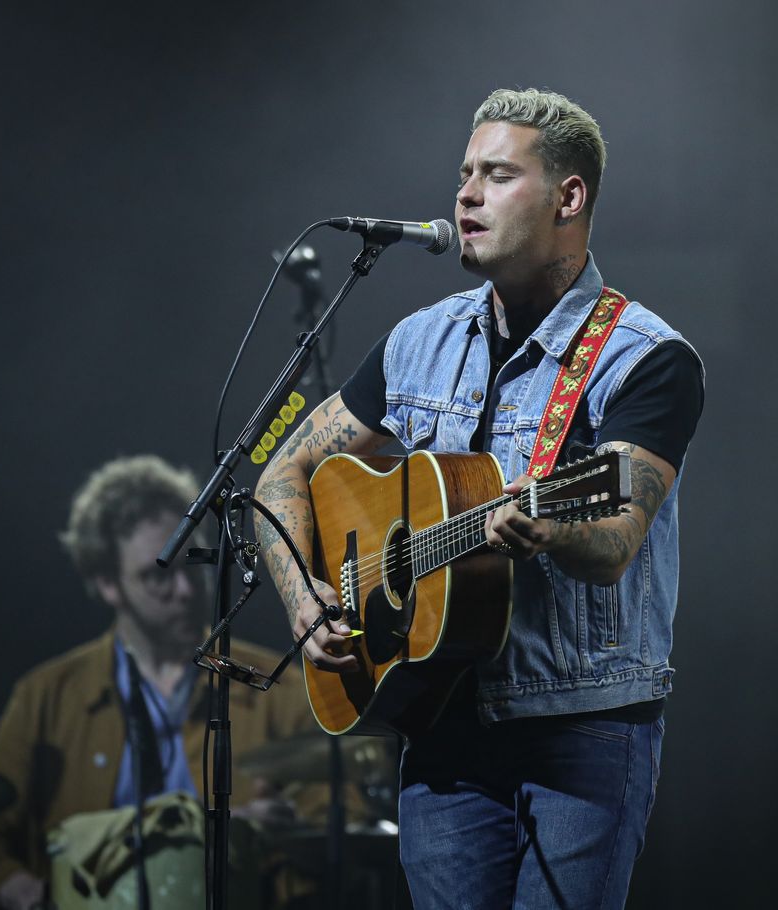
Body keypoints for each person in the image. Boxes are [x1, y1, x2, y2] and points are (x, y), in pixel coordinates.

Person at [254, 88, 705, 909]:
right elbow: (277, 475)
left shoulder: (647, 358)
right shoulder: (416, 339)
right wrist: (303, 600)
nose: (464, 194)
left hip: (583, 728)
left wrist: (551, 529)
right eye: (464, 173)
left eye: (497, 175)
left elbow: (614, 544)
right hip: (440, 719)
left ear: (569, 197)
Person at [0, 455, 321, 910]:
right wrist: (14, 885)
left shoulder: (277, 688)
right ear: (107, 584)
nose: (184, 591)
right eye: (158, 574)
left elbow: (346, 820)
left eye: (192, 565)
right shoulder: (46, 696)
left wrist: (273, 835)